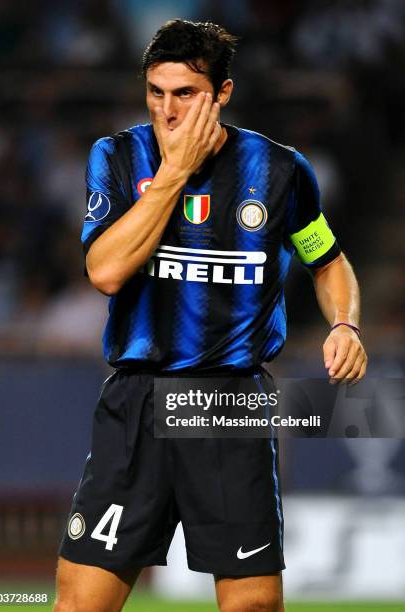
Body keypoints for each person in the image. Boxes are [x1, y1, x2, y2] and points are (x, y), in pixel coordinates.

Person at [54, 19, 367, 612]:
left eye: (186, 93)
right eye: (156, 92)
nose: (167, 110)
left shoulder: (279, 171)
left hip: (228, 404)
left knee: (251, 607)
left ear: (223, 93)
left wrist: (345, 323)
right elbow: (106, 272)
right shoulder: (119, 157)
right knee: (80, 606)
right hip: (137, 401)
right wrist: (172, 174)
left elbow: (328, 262)